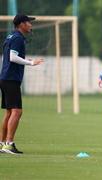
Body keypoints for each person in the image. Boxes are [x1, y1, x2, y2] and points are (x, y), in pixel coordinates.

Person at [0, 14, 43, 154]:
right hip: (11, 79)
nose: (31, 25)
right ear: (21, 25)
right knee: (17, 111)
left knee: (9, 112)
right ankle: (9, 144)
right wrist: (31, 63)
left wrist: (25, 59)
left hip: (6, 78)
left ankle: (2, 144)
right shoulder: (18, 38)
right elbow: (13, 58)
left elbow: (11, 56)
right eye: (28, 22)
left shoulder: (11, 36)